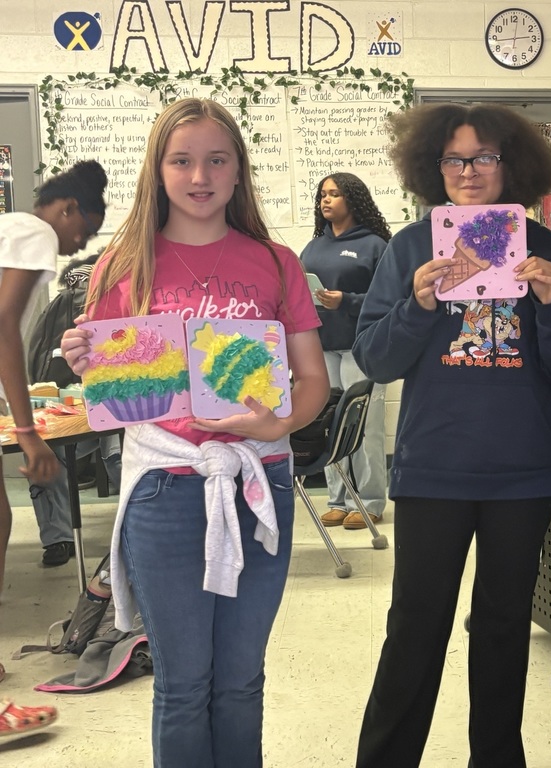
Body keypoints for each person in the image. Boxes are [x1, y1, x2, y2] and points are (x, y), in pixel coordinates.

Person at [60, 98, 329, 767]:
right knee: (181, 688)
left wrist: (282, 421)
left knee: (240, 684)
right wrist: (87, 361)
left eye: (217, 159)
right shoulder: (123, 265)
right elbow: (113, 392)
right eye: (182, 160)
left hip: (256, 481)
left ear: (239, 171)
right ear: (158, 170)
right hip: (163, 492)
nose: (199, 175)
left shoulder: (274, 261)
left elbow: (313, 381)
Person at [351, 102, 551, 767]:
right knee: (413, 629)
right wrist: (418, 304)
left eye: (483, 157)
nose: (468, 171)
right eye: (454, 159)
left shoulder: (543, 248)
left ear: (510, 164)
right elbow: (375, 359)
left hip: (524, 472)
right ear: (434, 166)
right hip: (435, 468)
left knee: (503, 628)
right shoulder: (409, 246)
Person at [0, 159, 106, 735]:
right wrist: (26, 429)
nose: (75, 246)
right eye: (82, 232)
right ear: (66, 211)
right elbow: (3, 324)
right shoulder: (33, 230)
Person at [300, 172, 390, 530]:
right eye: (323, 194)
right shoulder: (312, 246)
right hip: (322, 347)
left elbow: (391, 299)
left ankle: (369, 501)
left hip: (362, 347)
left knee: (365, 427)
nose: (326, 200)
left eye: (335, 194)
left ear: (353, 200)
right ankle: (338, 499)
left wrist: (347, 301)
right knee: (328, 425)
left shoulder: (375, 245)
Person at [27, 252, 123, 567]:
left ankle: (57, 540)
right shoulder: (123, 302)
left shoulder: (55, 308)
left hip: (67, 412)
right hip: (105, 411)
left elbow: (35, 365)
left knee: (46, 456)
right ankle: (138, 526)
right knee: (116, 453)